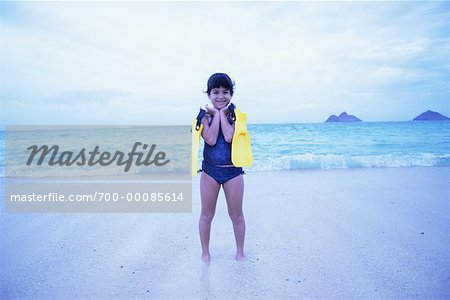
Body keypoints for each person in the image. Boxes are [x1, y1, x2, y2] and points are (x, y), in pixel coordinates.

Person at [198, 73, 246, 262]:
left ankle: (240, 252)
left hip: (233, 171)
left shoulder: (237, 116)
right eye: (215, 92)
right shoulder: (203, 117)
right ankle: (205, 253)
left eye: (225, 92)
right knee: (207, 214)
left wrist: (221, 114)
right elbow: (209, 139)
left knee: (236, 215)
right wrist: (216, 115)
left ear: (231, 95)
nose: (220, 96)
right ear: (209, 94)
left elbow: (228, 137)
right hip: (210, 171)